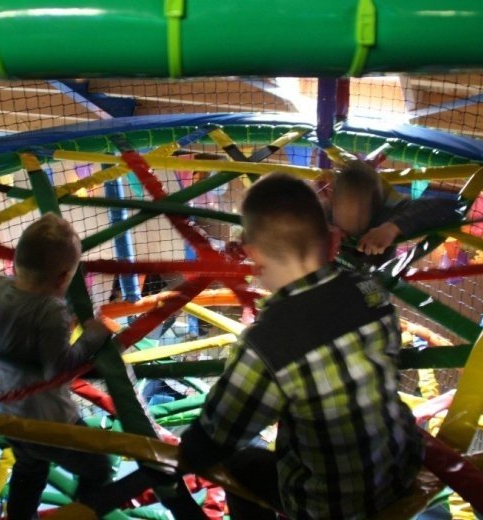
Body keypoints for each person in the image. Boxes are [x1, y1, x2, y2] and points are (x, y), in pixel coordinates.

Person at [178, 173, 424, 519]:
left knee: (241, 463)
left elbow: (216, 436)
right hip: (401, 470)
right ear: (333, 240)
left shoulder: (267, 342)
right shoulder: (370, 291)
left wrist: (182, 457)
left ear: (253, 255)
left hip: (332, 505)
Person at [0, 213, 113, 520]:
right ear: (61, 279)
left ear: (16, 263)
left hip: (13, 418)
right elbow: (59, 368)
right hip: (53, 426)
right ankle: (80, 514)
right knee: (99, 468)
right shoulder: (51, 310)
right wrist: (94, 335)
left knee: (29, 469)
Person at [330, 159, 463, 268]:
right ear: (333, 203)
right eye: (342, 208)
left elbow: (450, 208)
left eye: (359, 212)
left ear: (374, 207)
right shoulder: (322, 217)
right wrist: (323, 229)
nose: (350, 220)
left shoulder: (386, 216)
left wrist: (392, 227)